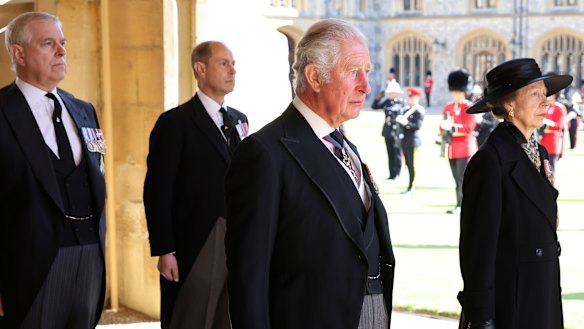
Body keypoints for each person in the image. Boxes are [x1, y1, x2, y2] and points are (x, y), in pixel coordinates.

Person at [224, 18, 395, 329]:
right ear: (315, 77)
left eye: (367, 72)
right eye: (353, 71)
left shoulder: (346, 145)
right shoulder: (264, 153)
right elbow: (248, 275)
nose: (366, 86)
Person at [0, 12, 106, 328]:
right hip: (27, 266)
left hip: (89, 258)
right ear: (18, 53)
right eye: (49, 44)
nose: (61, 52)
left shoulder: (84, 110)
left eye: (62, 43)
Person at [459, 58, 572, 329]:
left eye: (545, 95)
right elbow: (477, 248)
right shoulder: (490, 160)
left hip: (541, 290)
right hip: (511, 300)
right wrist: (482, 316)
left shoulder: (539, 152)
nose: (546, 103)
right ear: (509, 104)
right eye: (535, 95)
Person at [143, 41, 247, 329]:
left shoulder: (240, 120)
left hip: (236, 240)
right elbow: (157, 191)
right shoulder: (174, 123)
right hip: (194, 242)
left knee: (228, 319)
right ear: (200, 69)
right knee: (191, 318)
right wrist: (165, 250)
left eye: (233, 63)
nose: (233, 70)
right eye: (224, 63)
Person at [440, 69, 477, 214]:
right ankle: (460, 204)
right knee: (456, 179)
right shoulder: (448, 107)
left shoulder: (468, 107)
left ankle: (463, 205)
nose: (455, 94)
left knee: (463, 179)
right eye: (454, 92)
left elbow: (469, 127)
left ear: (464, 92)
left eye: (458, 92)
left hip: (465, 148)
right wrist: (444, 127)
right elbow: (442, 126)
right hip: (452, 148)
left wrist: (453, 126)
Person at [372, 80, 407, 179]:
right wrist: (379, 97)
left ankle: (397, 173)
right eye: (390, 92)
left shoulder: (402, 103)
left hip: (397, 130)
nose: (391, 94)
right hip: (388, 130)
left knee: (397, 153)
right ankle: (391, 174)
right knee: (390, 153)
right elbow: (374, 106)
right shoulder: (386, 102)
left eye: (393, 92)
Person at [397, 87, 425, 194]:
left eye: (412, 97)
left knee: (412, 164)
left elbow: (417, 126)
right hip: (405, 140)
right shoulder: (406, 110)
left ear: (417, 98)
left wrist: (406, 123)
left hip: (413, 141)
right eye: (409, 97)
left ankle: (412, 186)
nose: (410, 99)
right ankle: (409, 185)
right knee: (408, 164)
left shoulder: (419, 110)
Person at [539, 91, 567, 172]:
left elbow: (559, 125)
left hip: (552, 140)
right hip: (543, 139)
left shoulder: (559, 108)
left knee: (550, 167)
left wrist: (548, 123)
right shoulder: (546, 107)